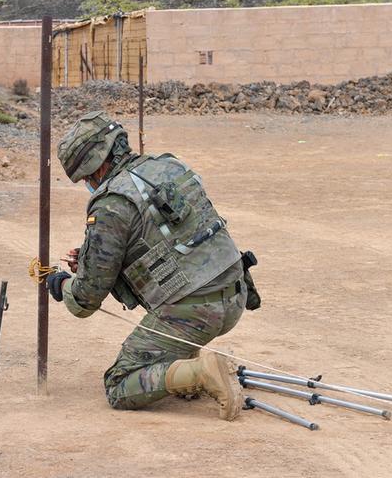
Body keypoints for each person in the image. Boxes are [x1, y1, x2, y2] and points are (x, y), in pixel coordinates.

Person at [45, 111, 251, 421]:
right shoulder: (167, 165)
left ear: (98, 165)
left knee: (118, 385)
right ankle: (189, 363)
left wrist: (61, 284)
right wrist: (94, 257)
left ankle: (200, 371)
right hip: (236, 296)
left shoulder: (111, 204)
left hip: (193, 314)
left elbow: (85, 301)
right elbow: (170, 239)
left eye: (87, 177)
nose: (88, 184)